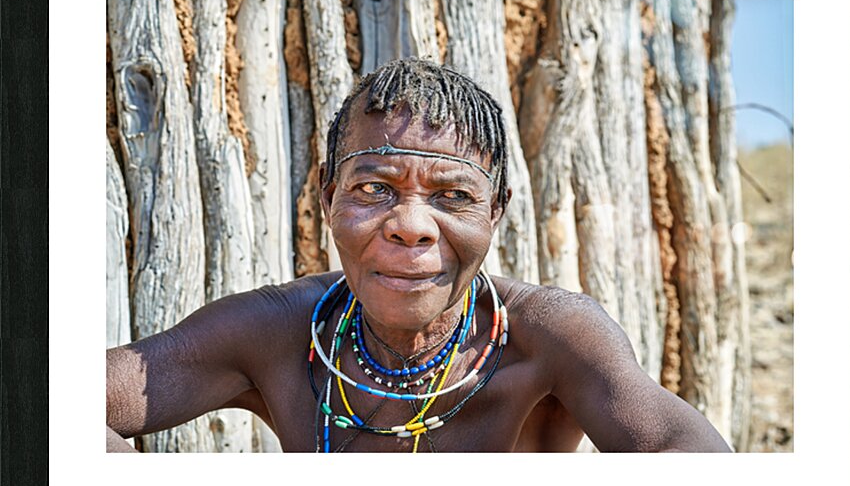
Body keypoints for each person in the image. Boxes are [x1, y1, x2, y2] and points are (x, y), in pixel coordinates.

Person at [106, 58, 730, 453]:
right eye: (374, 189)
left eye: (453, 195)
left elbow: (697, 462)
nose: (410, 227)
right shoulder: (276, 332)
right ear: (328, 199)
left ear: (496, 212)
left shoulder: (548, 337)